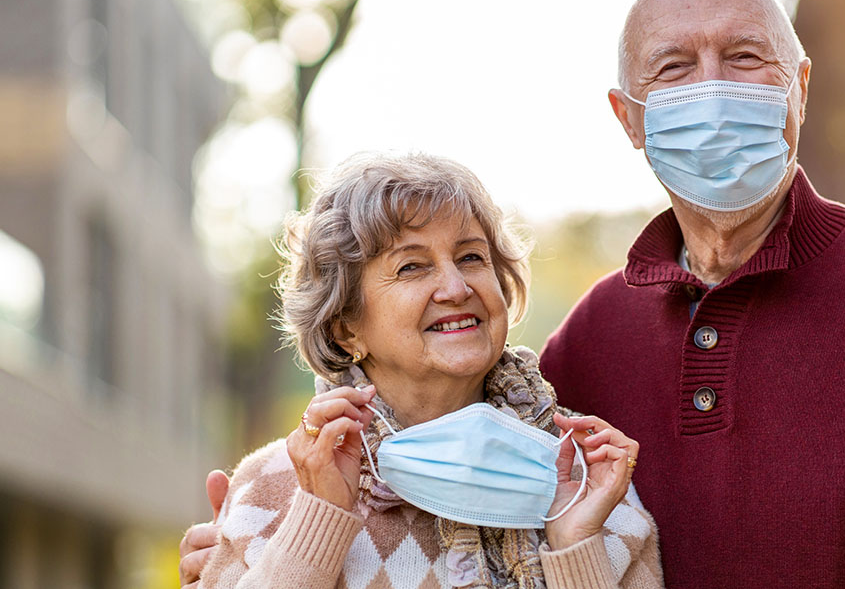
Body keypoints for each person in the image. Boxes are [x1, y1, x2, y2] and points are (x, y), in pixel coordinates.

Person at [185, 0, 845, 587]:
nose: (714, 91)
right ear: (629, 117)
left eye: (744, 57)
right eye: (674, 69)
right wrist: (251, 546)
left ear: (800, 88)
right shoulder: (589, 344)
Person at [188, 152, 662, 589]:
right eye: (412, 267)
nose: (456, 287)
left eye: (472, 257)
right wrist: (319, 516)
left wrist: (576, 547)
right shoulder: (267, 490)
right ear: (345, 327)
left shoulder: (596, 486)